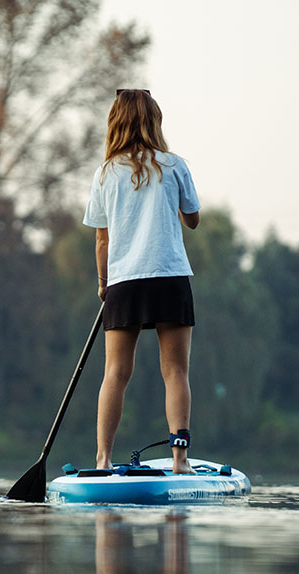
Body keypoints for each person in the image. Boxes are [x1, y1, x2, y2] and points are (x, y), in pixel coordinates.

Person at [83, 89, 201, 473]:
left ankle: (102, 459)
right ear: (155, 121)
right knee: (176, 371)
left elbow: (102, 238)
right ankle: (180, 460)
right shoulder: (175, 165)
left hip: (123, 282)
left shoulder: (105, 173)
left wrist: (103, 283)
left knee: (115, 373)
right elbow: (193, 218)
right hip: (169, 276)